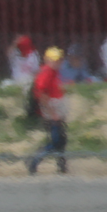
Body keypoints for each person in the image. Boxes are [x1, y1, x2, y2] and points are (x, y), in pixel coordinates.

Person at [27, 47, 68, 176]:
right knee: (56, 141)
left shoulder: (54, 72)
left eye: (59, 60)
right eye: (55, 60)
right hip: (51, 114)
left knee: (62, 140)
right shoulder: (47, 72)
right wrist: (53, 114)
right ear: (47, 60)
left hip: (56, 113)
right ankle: (34, 161)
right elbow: (41, 94)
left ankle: (62, 167)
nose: (58, 62)